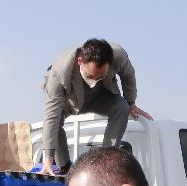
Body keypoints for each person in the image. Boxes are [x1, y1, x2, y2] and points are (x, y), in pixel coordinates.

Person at [41, 39, 151, 174]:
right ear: (79, 61)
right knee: (55, 122)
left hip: (101, 96)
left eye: (100, 76)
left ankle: (104, 161)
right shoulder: (59, 70)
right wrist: (48, 158)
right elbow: (51, 115)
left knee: (121, 107)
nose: (93, 80)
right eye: (90, 75)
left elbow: (128, 75)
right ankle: (64, 167)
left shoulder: (119, 56)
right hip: (70, 101)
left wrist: (131, 102)